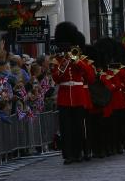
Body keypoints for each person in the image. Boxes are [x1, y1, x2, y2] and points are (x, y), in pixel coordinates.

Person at [50, 22, 95, 165]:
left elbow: (90, 77)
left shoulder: (80, 59)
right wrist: (64, 62)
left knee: (79, 127)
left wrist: (77, 61)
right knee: (66, 128)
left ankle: (80, 152)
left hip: (78, 96)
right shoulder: (57, 60)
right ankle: (68, 155)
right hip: (64, 98)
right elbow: (57, 78)